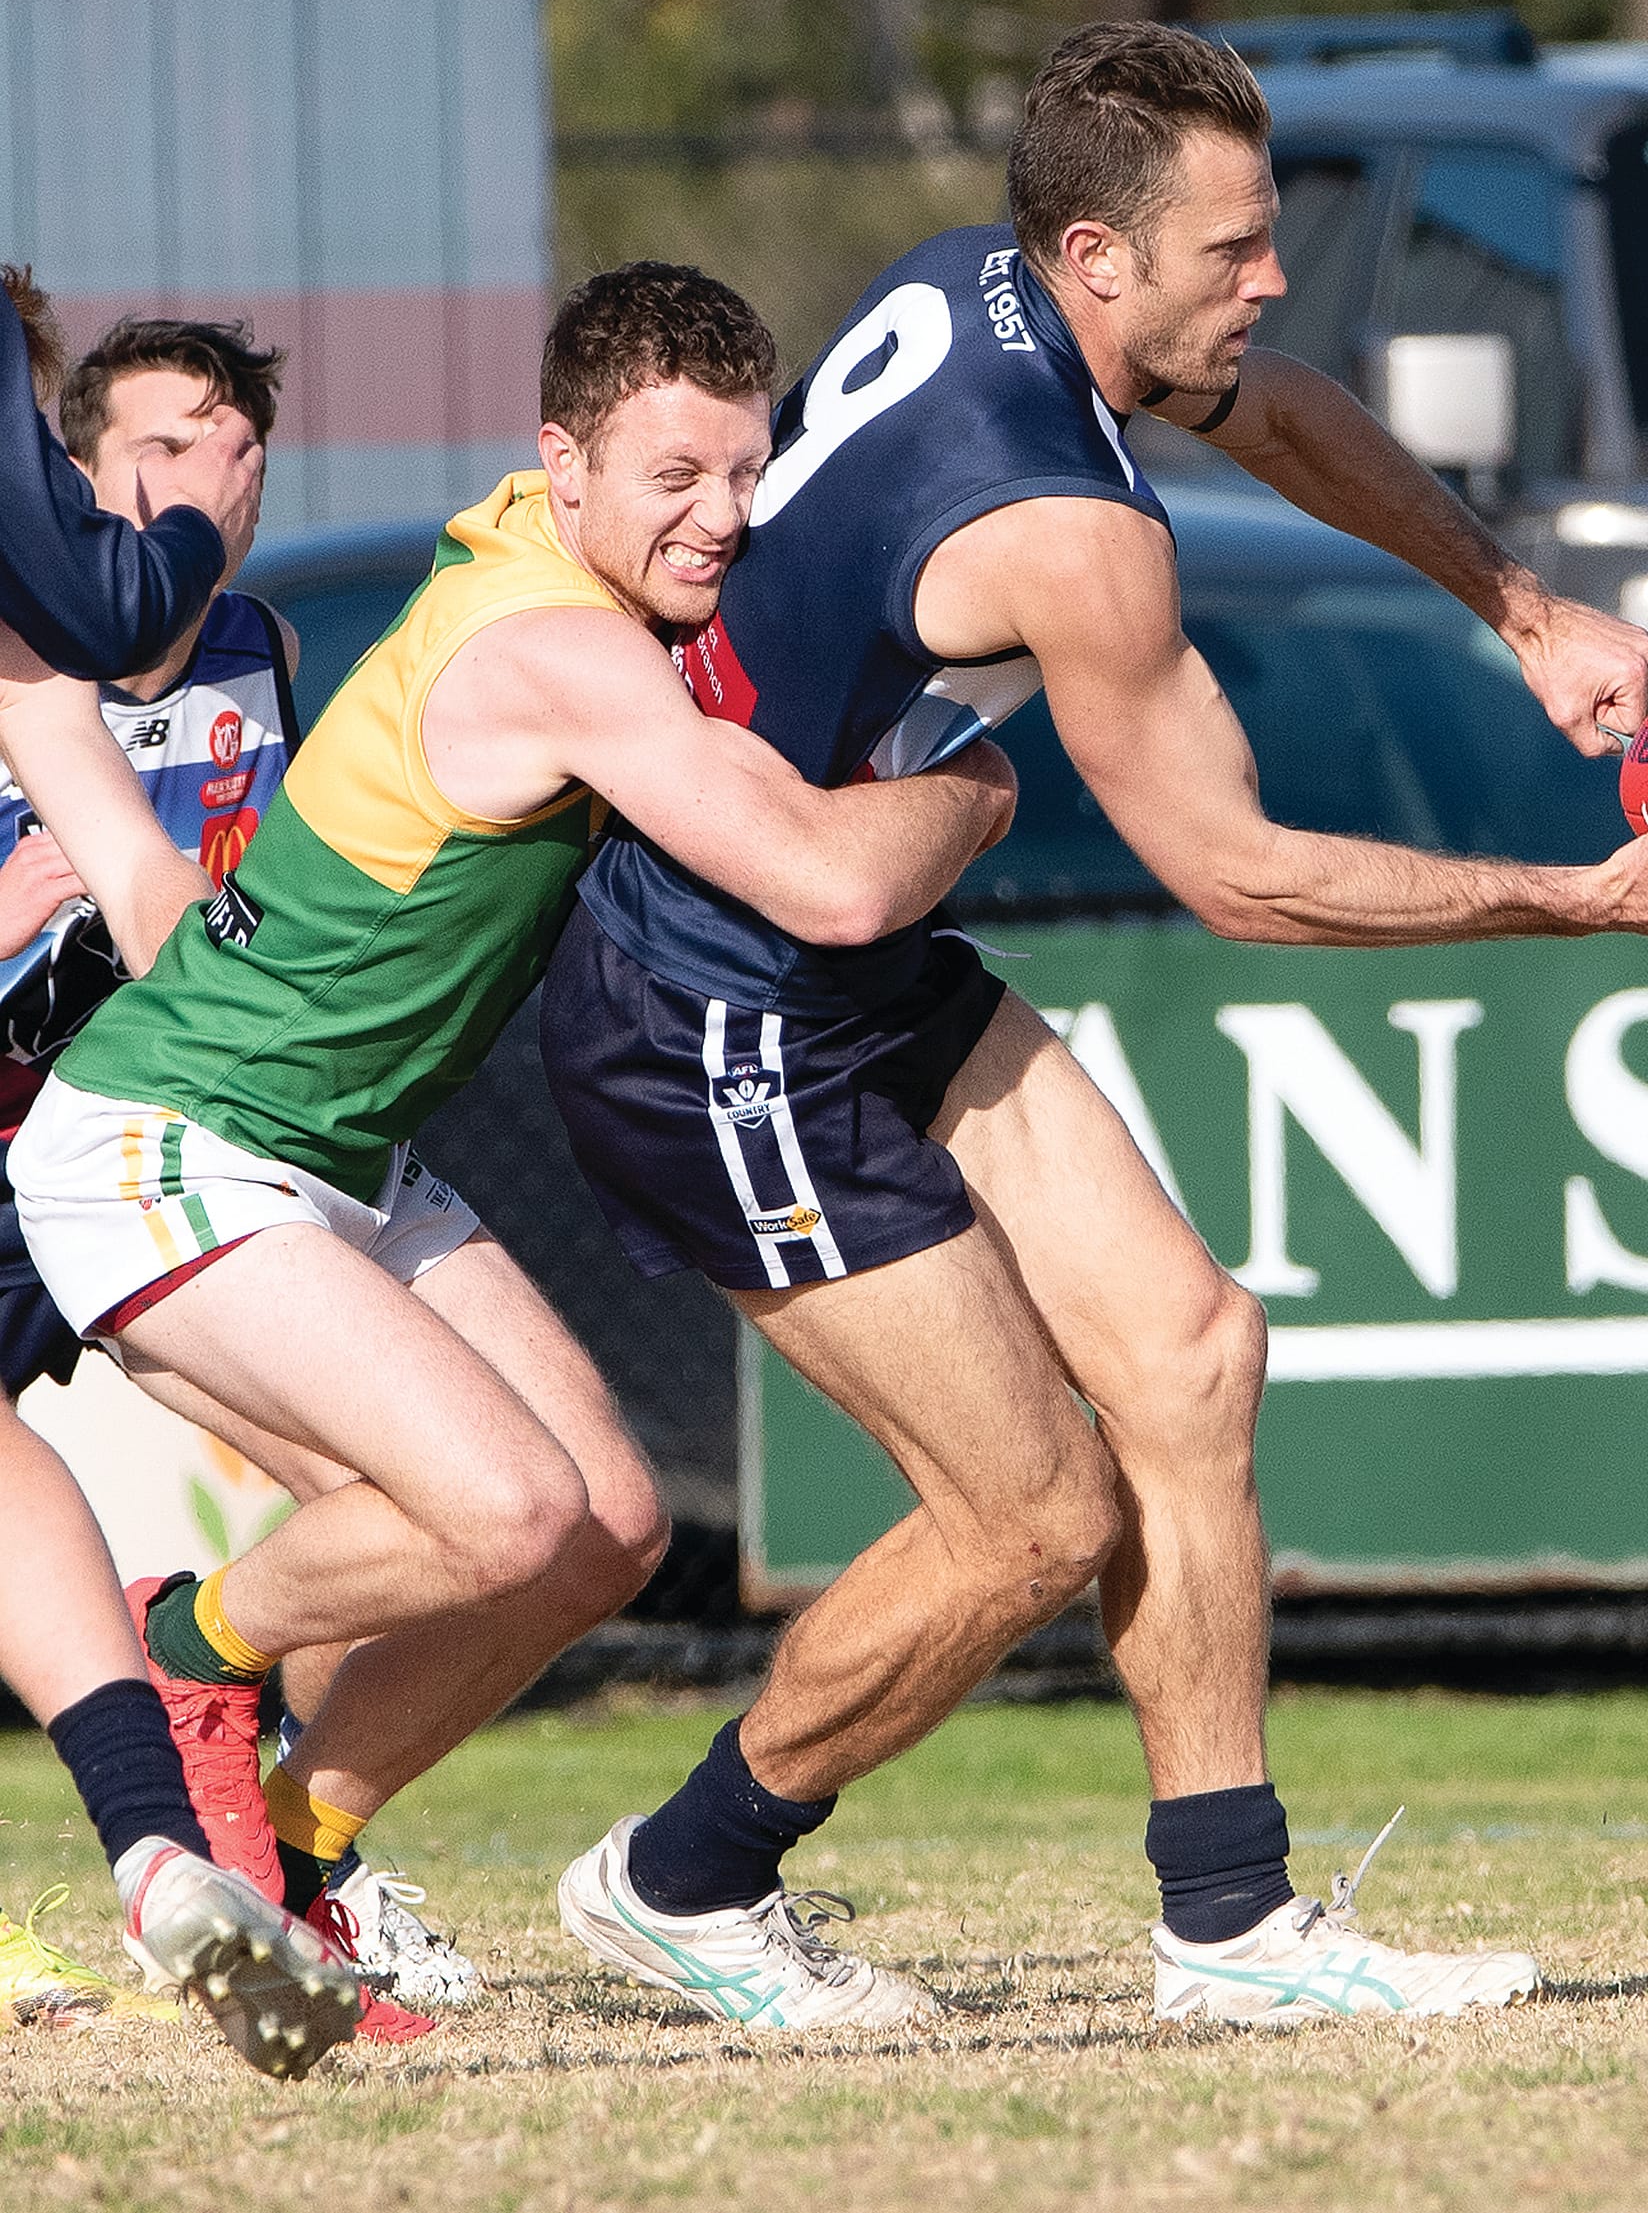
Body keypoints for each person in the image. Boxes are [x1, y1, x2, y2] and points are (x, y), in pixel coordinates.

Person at [539, 23, 1648, 2032]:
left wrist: (1516, 600)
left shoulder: (968, 282)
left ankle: (1229, 1920)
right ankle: (685, 1872)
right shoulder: (1069, 527)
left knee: (1191, 1347)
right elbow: (1236, 876)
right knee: (1032, 1512)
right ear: (1097, 254)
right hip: (714, 1015)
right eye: (1236, 248)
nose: (1274, 276)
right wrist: (1583, 902)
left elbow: (1273, 402)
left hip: (845, 949)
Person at [7, 265, 1016, 2034]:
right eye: (672, 478)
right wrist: (981, 767)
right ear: (564, 466)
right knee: (501, 1509)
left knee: (606, 1530)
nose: (720, 516)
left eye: (744, 473)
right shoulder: (554, 647)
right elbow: (840, 883)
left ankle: (296, 1858)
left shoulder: (546, 574)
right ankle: (190, 1654)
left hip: (332, 1142)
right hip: (166, 1135)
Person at [0, 273, 357, 2077]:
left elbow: (162, 893)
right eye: (159, 449)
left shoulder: (255, 649)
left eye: (241, 451)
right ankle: (168, 1848)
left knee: (400, 1486)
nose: (209, 481)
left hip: (145, 1129)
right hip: (19, 1124)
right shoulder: (31, 643)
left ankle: (278, 1849)